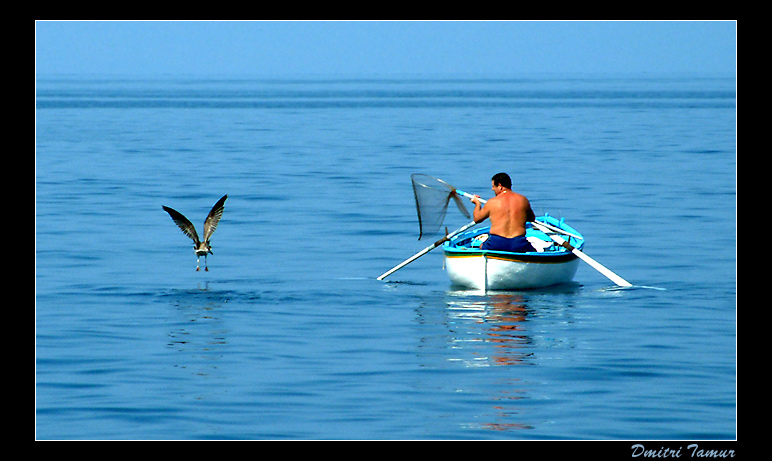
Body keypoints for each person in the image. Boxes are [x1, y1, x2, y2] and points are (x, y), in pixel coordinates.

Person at [470, 172, 537, 253]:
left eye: (493, 186)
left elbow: (477, 219)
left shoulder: (492, 202)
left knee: (481, 246)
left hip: (496, 243)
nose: (492, 189)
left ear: (500, 186)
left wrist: (477, 204)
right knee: (534, 251)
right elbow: (532, 219)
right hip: (518, 243)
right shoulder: (523, 200)